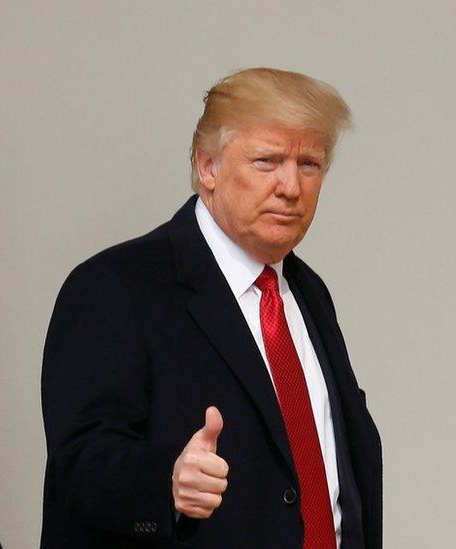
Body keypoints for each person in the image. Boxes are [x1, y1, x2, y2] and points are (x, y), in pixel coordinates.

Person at [40, 68, 381, 548]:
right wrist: (168, 480)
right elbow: (80, 463)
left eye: (309, 164)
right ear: (208, 167)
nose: (290, 186)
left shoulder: (308, 293)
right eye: (267, 161)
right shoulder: (114, 286)